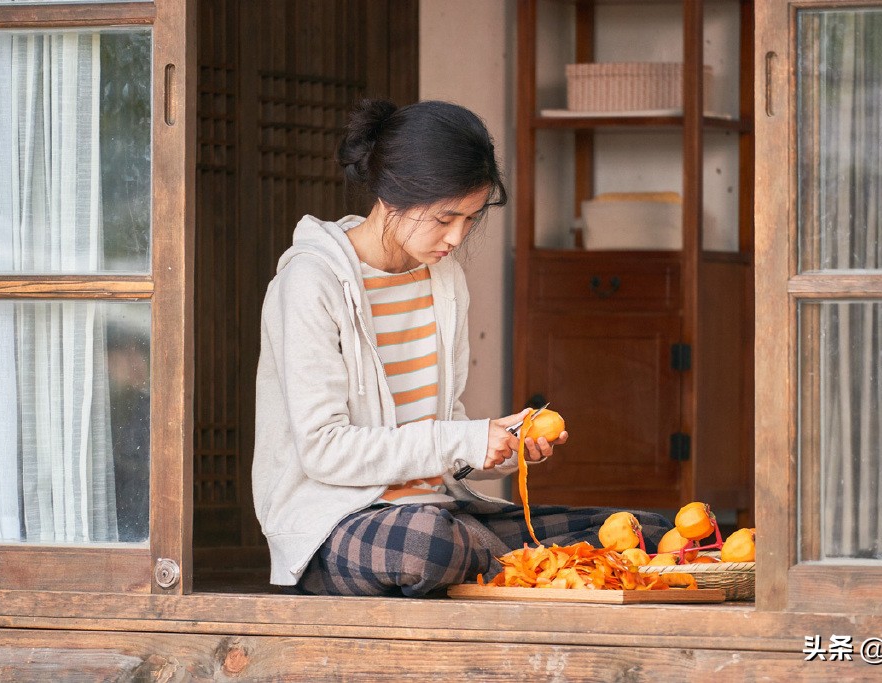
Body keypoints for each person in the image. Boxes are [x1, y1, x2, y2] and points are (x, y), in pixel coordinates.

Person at [252, 98, 669, 597]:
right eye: (445, 218)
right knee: (431, 545)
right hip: (337, 524)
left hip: (438, 511)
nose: (457, 237)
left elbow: (444, 447)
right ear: (392, 194)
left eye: (470, 219)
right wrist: (467, 438)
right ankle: (515, 560)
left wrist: (503, 446)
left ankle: (505, 559)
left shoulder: (443, 280)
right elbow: (323, 451)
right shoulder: (310, 282)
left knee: (645, 530)